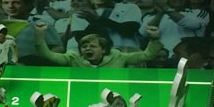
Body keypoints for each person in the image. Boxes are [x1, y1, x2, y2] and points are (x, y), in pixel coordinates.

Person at [34, 21, 162, 68]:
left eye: (93, 46)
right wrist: (40, 35)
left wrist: (154, 38)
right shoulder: (73, 57)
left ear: (103, 49)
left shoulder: (118, 56)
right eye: (84, 47)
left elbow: (147, 56)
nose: (87, 49)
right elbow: (48, 55)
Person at [141, 0, 208, 60]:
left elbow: (192, 24)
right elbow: (144, 33)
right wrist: (161, 12)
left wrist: (165, 7)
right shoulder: (152, 15)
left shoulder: (198, 13)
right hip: (161, 59)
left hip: (186, 59)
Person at [0, 0, 63, 65]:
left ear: (27, 5)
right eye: (6, 3)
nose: (10, 6)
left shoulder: (40, 24)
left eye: (16, 3)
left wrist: (40, 62)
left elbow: (58, 48)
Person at [79, 0, 143, 52]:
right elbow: (80, 38)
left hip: (127, 52)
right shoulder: (83, 13)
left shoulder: (129, 7)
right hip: (101, 54)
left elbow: (129, 30)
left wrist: (99, 19)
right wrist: (93, 22)